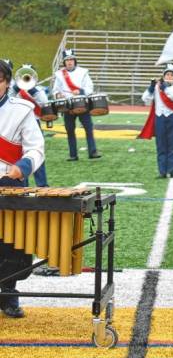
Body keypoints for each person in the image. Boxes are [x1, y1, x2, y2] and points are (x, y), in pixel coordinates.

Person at [0, 57, 45, 318]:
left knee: (11, 243)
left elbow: (36, 147)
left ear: (6, 83)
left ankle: (8, 295)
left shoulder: (22, 110)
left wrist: (24, 166)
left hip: (9, 182)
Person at [52, 49, 101, 161]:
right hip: (67, 106)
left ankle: (92, 152)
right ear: (64, 62)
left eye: (71, 59)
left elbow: (90, 88)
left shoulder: (83, 72)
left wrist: (80, 91)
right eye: (67, 60)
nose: (69, 62)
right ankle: (73, 155)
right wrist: (58, 95)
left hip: (82, 104)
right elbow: (55, 90)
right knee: (70, 130)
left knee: (88, 128)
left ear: (75, 61)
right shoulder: (60, 75)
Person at [139, 63, 173, 178]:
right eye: (167, 74)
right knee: (161, 145)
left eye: (171, 75)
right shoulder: (157, 87)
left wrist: (165, 88)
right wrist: (150, 88)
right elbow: (145, 99)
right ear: (163, 75)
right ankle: (162, 171)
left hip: (172, 118)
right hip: (160, 118)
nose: (169, 76)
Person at [9, 64, 49, 186]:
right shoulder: (13, 88)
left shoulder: (37, 89)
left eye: (29, 75)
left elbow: (45, 102)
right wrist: (17, 88)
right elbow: (7, 99)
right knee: (18, 154)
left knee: (37, 152)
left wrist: (32, 89)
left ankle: (42, 184)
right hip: (17, 123)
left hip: (34, 122)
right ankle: (23, 183)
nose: (27, 78)